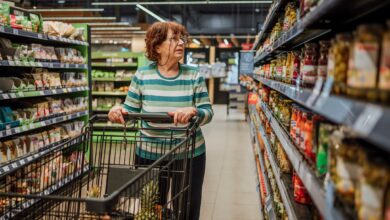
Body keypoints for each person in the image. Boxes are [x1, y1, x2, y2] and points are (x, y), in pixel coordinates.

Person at [108, 21, 213, 220]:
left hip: (189, 154)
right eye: (173, 39)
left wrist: (193, 111)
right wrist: (117, 111)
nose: (181, 43)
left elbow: (207, 112)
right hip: (149, 154)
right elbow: (129, 112)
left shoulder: (193, 75)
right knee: (150, 208)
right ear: (157, 46)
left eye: (182, 38)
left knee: (186, 209)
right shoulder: (142, 75)